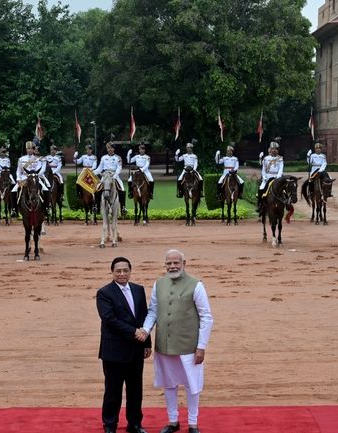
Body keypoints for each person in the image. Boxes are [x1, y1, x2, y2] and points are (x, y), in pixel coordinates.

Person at [138, 249, 213, 433]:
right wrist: (146, 330)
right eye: (169, 263)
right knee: (169, 384)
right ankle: (173, 421)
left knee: (191, 385)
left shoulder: (196, 285)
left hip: (189, 345)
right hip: (164, 345)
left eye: (176, 263)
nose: (172, 266)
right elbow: (153, 311)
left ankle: (193, 423)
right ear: (165, 265)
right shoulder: (159, 284)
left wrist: (201, 346)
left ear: (184, 264)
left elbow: (206, 317)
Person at [96, 257, 151, 433]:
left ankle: (135, 424)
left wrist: (147, 343)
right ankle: (110, 425)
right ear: (112, 272)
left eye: (125, 270)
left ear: (130, 271)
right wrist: (133, 332)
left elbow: (143, 316)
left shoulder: (138, 290)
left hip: (136, 348)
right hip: (114, 350)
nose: (122, 274)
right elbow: (109, 319)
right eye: (118, 271)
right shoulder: (104, 293)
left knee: (136, 389)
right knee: (113, 390)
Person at [94, 142, 126, 214]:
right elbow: (99, 168)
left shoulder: (118, 158)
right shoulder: (103, 158)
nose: (110, 149)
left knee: (122, 188)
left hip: (114, 174)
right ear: (107, 149)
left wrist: (115, 176)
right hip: (105, 175)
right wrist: (93, 172)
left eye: (111, 148)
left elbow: (119, 168)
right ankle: (96, 206)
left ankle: (123, 207)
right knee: (97, 188)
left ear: (114, 149)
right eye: (108, 148)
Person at [258, 141, 284, 213]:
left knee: (285, 190)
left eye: (276, 149)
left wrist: (278, 177)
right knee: (261, 188)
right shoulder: (266, 158)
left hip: (277, 176)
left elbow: (281, 169)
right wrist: (264, 177)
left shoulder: (280, 158)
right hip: (268, 176)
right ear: (270, 150)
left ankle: (286, 203)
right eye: (273, 149)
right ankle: (260, 204)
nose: (274, 150)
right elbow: (263, 169)